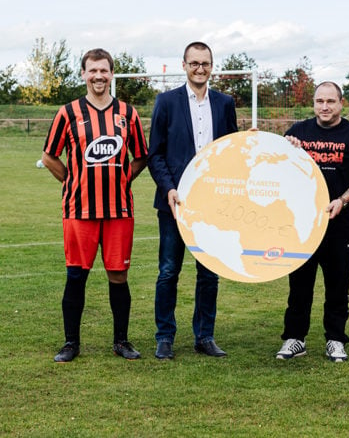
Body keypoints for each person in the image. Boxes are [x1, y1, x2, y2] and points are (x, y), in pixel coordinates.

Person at [41, 48, 149, 363]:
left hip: (119, 212)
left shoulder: (128, 113)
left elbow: (141, 155)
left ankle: (121, 341)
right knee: (76, 276)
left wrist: (122, 180)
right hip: (79, 211)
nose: (98, 76)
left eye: (104, 70)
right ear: (84, 74)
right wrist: (70, 180)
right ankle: (71, 343)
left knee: (119, 277)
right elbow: (49, 155)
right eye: (93, 71)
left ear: (111, 74)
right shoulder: (68, 112)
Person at [147, 41, 238, 360]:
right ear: (184, 65)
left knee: (209, 272)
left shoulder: (225, 103)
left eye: (206, 63)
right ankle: (165, 337)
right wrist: (170, 189)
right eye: (194, 63)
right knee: (169, 271)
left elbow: (231, 153)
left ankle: (205, 336)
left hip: (212, 205)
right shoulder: (166, 102)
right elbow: (155, 153)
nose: (200, 68)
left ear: (212, 66)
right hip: (175, 204)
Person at [276, 81, 349, 362]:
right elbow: (275, 170)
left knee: (337, 285)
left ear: (341, 103)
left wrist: (343, 200)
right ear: (314, 103)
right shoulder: (297, 133)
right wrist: (286, 149)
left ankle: (335, 340)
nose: (325, 106)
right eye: (320, 101)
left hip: (339, 223)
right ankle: (294, 338)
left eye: (330, 101)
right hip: (302, 225)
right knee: (299, 285)